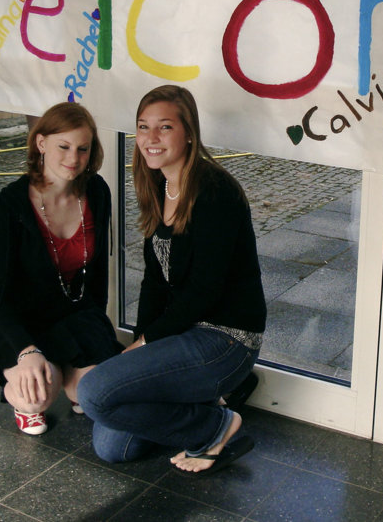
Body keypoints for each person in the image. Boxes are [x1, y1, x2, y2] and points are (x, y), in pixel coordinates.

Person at [79, 85, 266, 476]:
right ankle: (207, 402)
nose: (151, 138)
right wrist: (141, 351)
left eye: (164, 127)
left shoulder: (215, 190)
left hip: (224, 339)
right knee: (114, 446)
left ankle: (214, 427)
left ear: (189, 133)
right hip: (183, 336)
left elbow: (204, 291)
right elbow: (154, 284)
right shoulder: (160, 186)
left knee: (94, 392)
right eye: (143, 127)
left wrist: (146, 346)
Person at [0, 102, 122, 435]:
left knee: (93, 396)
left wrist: (97, 333)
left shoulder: (97, 191)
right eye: (64, 146)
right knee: (36, 397)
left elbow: (98, 275)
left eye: (82, 148)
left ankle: (68, 370)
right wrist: (27, 352)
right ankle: (21, 381)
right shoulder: (10, 206)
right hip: (28, 327)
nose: (74, 158)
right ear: (41, 143)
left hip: (77, 322)